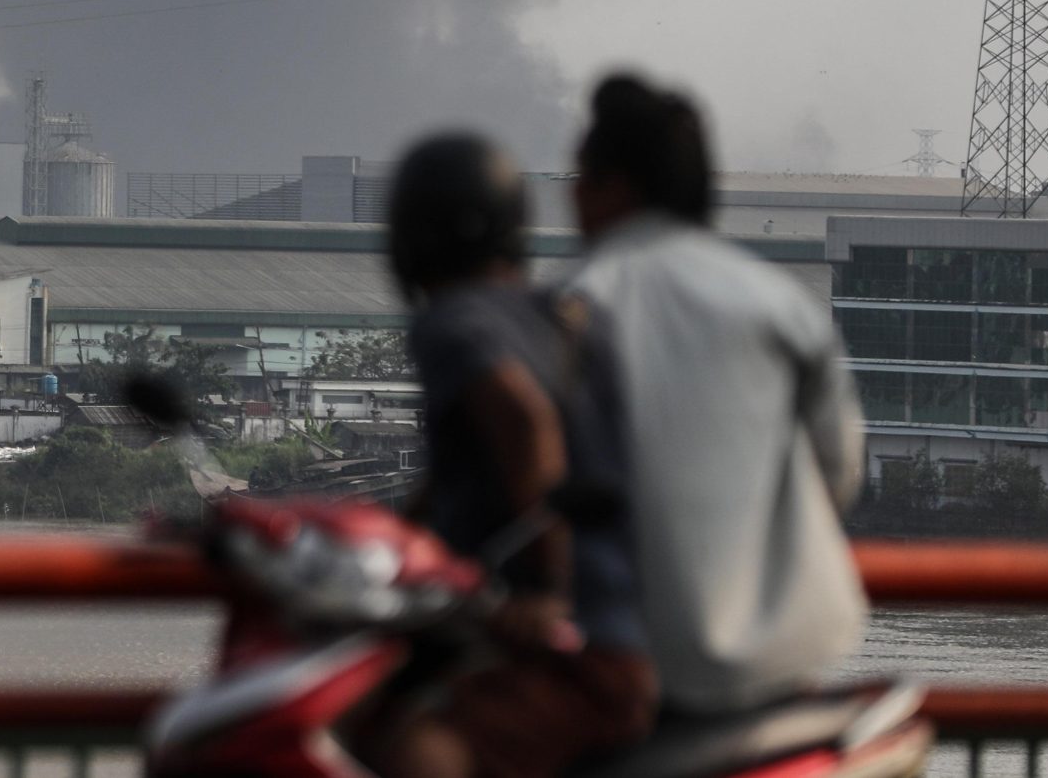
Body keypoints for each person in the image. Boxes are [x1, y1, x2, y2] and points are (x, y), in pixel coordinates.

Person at [566, 72, 867, 715]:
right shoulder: (782, 304)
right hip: (789, 665)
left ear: (614, 187)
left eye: (581, 180)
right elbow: (837, 473)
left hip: (628, 673)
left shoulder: (575, 309)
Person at [362, 133, 655, 778]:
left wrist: (547, 589)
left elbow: (523, 420)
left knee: (419, 755)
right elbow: (452, 479)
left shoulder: (453, 320)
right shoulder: (571, 316)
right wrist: (386, 547)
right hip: (632, 636)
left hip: (570, 652)